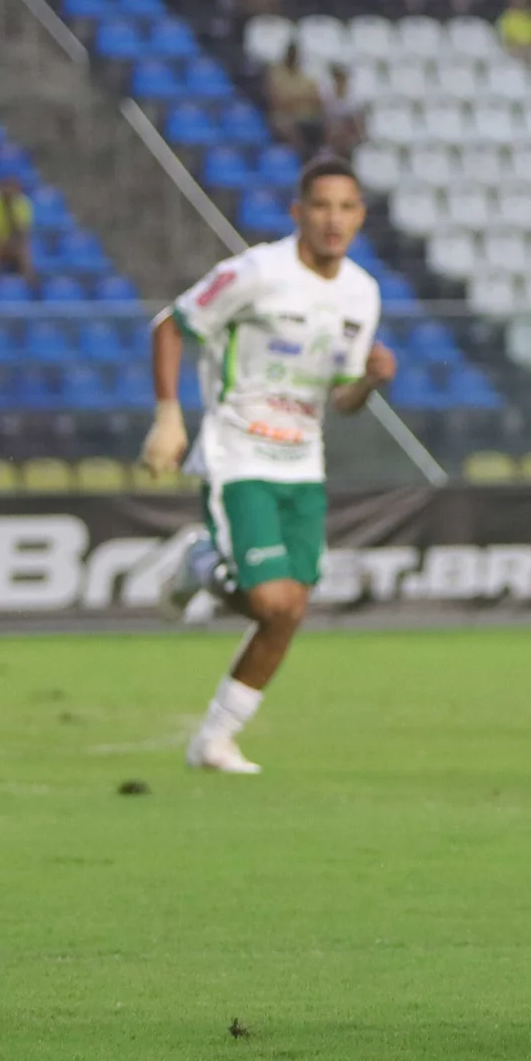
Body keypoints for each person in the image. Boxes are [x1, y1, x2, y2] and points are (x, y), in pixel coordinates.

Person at [148, 158, 393, 774]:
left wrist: (368, 382)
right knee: (272, 601)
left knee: (289, 609)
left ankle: (215, 739)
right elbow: (170, 325)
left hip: (302, 464)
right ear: (298, 213)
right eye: (321, 206)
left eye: (346, 208)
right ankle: (199, 562)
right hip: (239, 455)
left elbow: (340, 399)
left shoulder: (362, 293)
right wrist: (168, 416)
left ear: (360, 216)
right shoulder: (257, 272)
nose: (333, 220)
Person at [264, 42, 325, 147]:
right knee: (286, 126)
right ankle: (301, 152)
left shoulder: (307, 75)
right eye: (291, 55)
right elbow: (278, 100)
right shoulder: (277, 74)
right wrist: (302, 98)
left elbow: (316, 99)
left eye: (295, 55)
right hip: (285, 117)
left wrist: (293, 98)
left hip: (308, 117)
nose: (293, 58)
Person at [323, 62, 370, 154]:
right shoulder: (328, 97)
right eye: (337, 78)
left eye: (341, 77)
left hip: (349, 132)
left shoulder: (354, 98)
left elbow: (358, 120)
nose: (339, 80)